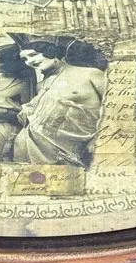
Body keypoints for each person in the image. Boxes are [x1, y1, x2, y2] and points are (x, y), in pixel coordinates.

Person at [11, 38, 107, 167]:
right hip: (30, 149)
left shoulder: (90, 74)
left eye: (33, 55)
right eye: (25, 59)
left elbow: (114, 107)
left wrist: (98, 139)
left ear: (50, 51)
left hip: (75, 151)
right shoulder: (42, 85)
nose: (29, 61)